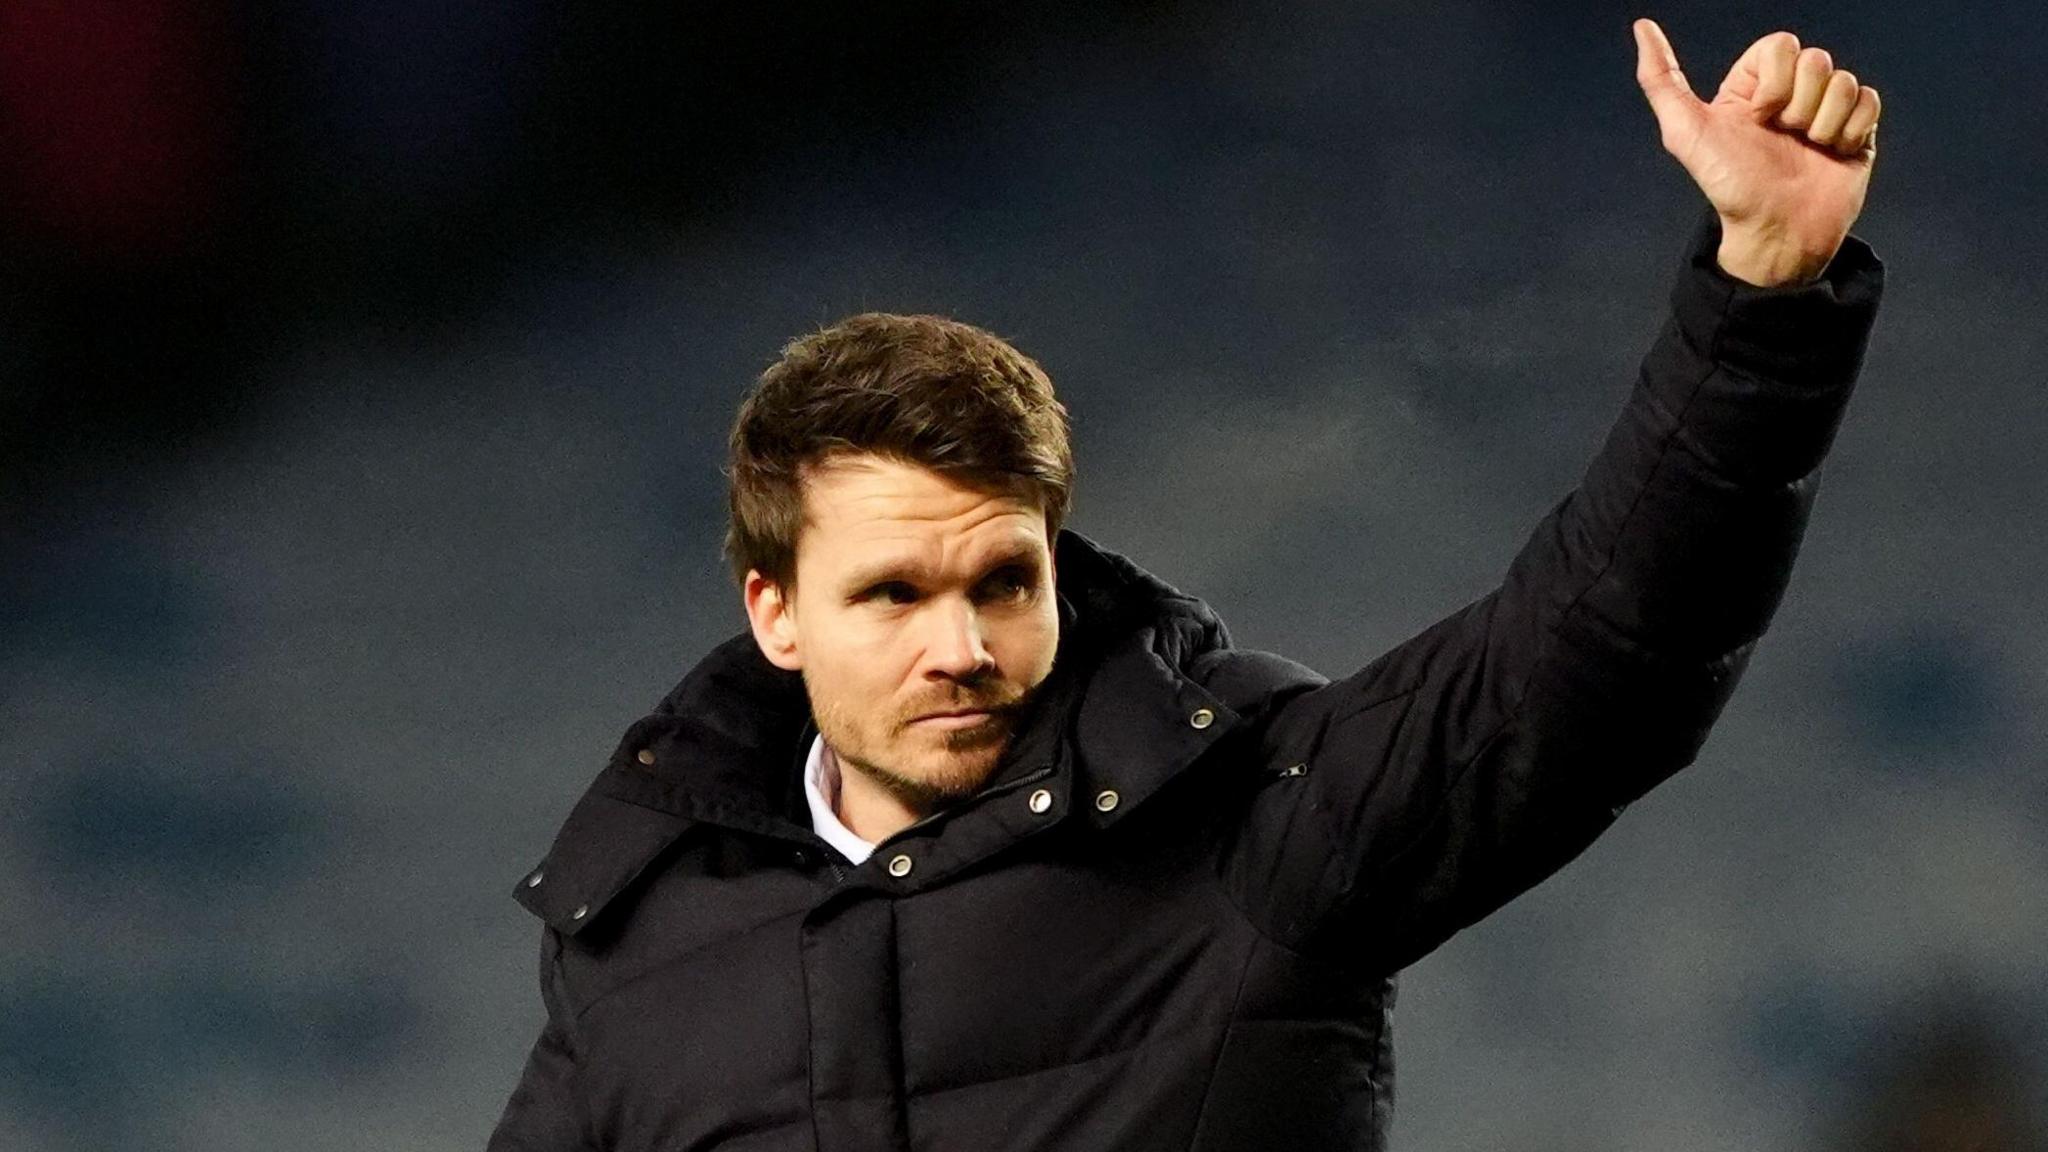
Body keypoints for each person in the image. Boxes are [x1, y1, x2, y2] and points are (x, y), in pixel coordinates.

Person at [488, 20, 1886, 1151]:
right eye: (893, 595)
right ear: (774, 614)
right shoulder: (636, 942)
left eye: (1002, 579)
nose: (961, 643)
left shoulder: (1251, 818)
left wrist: (1764, 299)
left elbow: (1601, 658)